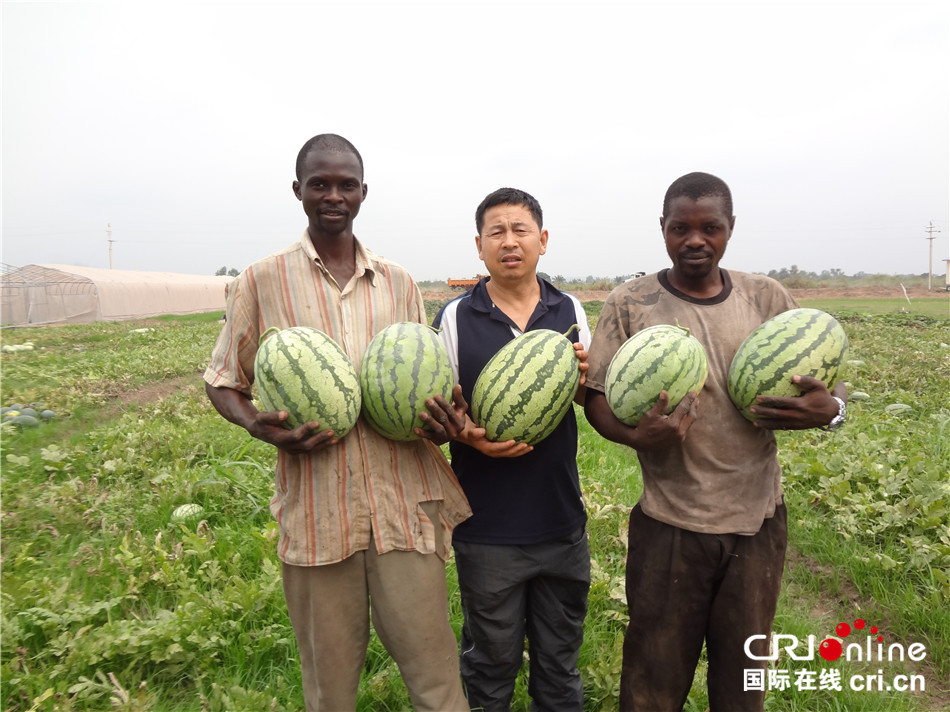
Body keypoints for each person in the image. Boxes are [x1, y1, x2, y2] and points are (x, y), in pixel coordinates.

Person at [203, 134, 472, 712]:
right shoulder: (261, 279)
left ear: (363, 193)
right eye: (319, 184)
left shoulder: (398, 283)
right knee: (329, 689)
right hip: (319, 510)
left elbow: (417, 373)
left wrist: (439, 420)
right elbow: (223, 379)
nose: (333, 195)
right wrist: (257, 426)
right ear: (297, 191)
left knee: (437, 678)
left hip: (404, 504)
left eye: (345, 184)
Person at [583, 172, 848, 712]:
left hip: (757, 524)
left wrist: (832, 410)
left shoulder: (765, 296)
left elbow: (827, 379)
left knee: (744, 683)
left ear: (730, 229)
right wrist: (638, 436)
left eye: (711, 227)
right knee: (652, 683)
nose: (695, 239)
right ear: (663, 228)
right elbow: (596, 401)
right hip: (669, 525)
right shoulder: (631, 302)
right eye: (681, 227)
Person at [428, 187, 592, 711]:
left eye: (521, 230)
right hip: (487, 528)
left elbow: (586, 397)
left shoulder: (569, 310)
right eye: (496, 232)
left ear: (542, 241)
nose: (509, 241)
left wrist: (585, 377)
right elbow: (437, 411)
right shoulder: (455, 317)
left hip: (560, 522)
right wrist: (466, 435)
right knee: (489, 665)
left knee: (559, 665)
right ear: (479, 246)